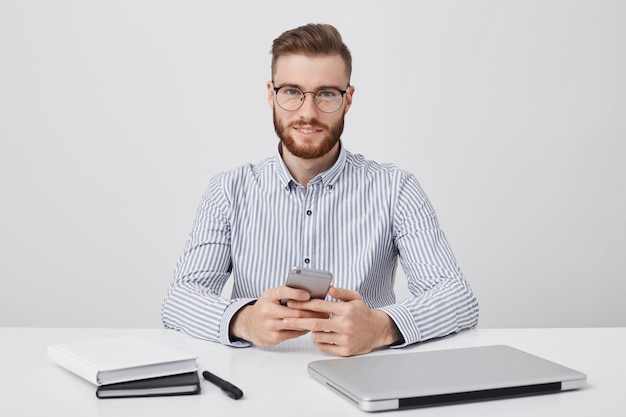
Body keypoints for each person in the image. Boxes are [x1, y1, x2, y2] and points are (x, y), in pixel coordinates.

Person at [161, 23, 479, 357]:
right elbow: (180, 299)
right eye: (292, 92)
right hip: (256, 388)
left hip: (367, 380)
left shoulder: (396, 189)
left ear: (348, 99)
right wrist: (243, 320)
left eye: (326, 93)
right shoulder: (228, 190)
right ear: (272, 95)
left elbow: (457, 297)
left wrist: (381, 327)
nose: (308, 112)